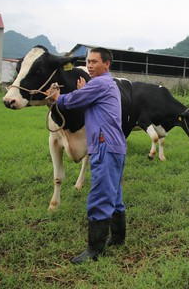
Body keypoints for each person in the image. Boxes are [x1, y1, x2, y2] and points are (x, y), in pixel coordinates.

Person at [47, 47, 127, 264]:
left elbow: (71, 101)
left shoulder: (100, 83)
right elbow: (86, 100)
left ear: (107, 65)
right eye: (88, 61)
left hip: (104, 147)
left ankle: (95, 250)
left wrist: (57, 97)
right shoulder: (105, 84)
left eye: (94, 61)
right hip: (116, 147)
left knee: (100, 195)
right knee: (114, 193)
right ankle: (118, 238)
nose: (90, 65)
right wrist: (85, 90)